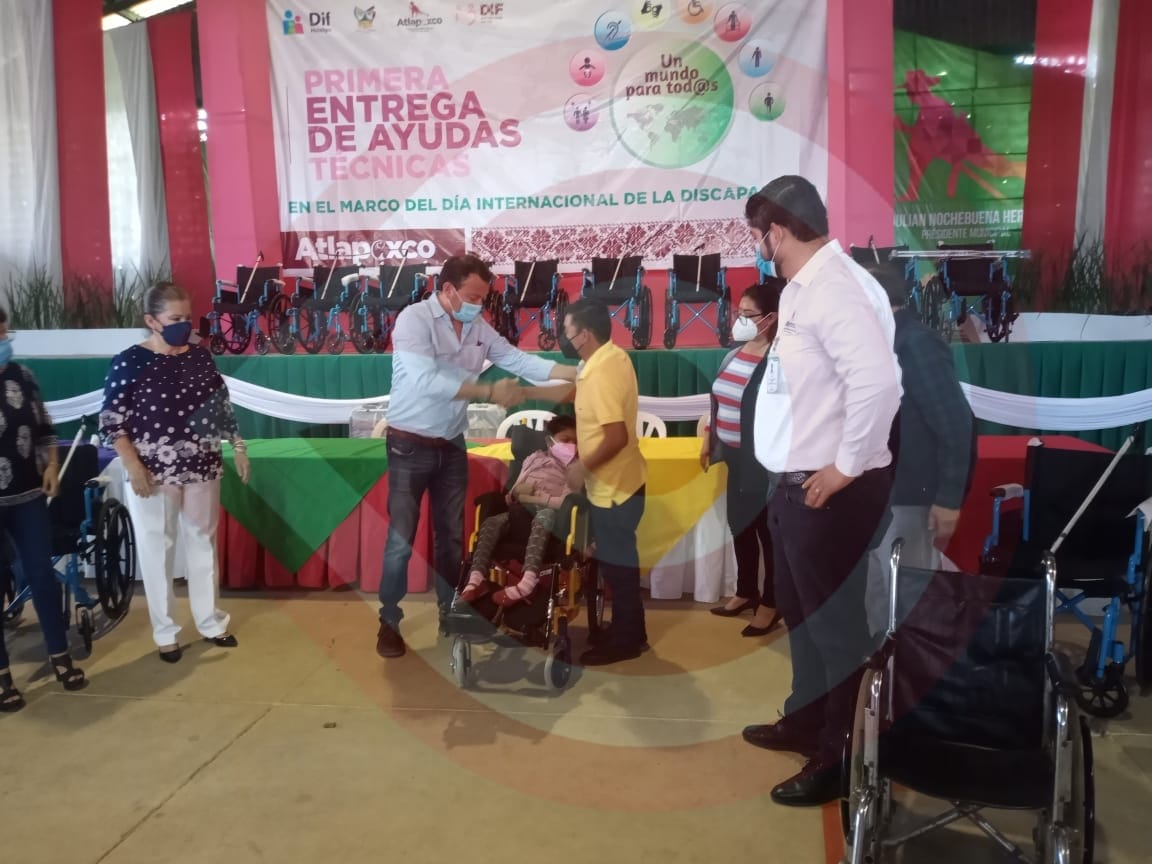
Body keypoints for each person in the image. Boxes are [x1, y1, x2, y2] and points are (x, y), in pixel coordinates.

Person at [740, 176, 902, 807]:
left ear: (777, 232)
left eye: (758, 236)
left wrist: (844, 469)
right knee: (802, 616)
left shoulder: (836, 287)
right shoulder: (803, 289)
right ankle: (805, 720)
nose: (758, 247)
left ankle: (839, 755)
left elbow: (878, 383)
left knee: (836, 629)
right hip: (792, 487)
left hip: (827, 491)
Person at [376, 254, 577, 659]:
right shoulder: (414, 320)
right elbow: (426, 380)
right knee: (401, 539)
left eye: (483, 298)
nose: (478, 306)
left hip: (451, 445)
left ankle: (450, 610)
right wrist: (487, 391)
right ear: (448, 290)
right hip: (408, 444)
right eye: (472, 297)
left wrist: (573, 372)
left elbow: (516, 359)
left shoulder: (476, 325)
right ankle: (389, 620)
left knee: (451, 538)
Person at [100, 282, 250, 664]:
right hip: (153, 470)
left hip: (202, 464)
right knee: (158, 549)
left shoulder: (200, 356)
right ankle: (165, 632)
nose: (184, 325)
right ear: (152, 321)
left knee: (203, 544)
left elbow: (221, 406)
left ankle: (210, 621)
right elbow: (112, 420)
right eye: (174, 318)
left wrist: (238, 447)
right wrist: (132, 464)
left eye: (187, 317)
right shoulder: (129, 361)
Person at [864, 263, 976, 638]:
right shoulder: (878, 343)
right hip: (878, 492)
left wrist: (949, 498)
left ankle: (911, 665)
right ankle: (883, 662)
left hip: (909, 495)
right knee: (879, 592)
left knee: (906, 594)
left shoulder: (915, 343)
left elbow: (955, 423)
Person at [0, 307, 87, 710]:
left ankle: (60, 655)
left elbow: (45, 429)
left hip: (28, 495)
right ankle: (3, 676)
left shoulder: (23, 376)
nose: (5, 344)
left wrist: (51, 464)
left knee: (42, 576)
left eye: (6, 336)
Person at [557, 299, 648, 665]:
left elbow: (615, 437)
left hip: (614, 490)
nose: (563, 337)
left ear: (584, 335)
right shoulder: (611, 357)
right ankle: (632, 631)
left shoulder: (600, 374)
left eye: (567, 331)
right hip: (626, 481)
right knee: (621, 566)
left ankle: (625, 643)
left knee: (620, 570)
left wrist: (582, 467)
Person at [701, 279, 785, 636]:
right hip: (733, 457)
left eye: (748, 314)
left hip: (761, 463)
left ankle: (772, 602)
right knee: (740, 525)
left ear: (770, 318)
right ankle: (745, 590)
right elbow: (719, 399)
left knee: (768, 532)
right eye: (739, 312)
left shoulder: (779, 359)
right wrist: (709, 438)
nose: (740, 320)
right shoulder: (734, 354)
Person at [459, 414, 580, 606]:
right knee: (492, 522)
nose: (571, 446)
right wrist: (516, 493)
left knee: (545, 515)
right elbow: (513, 493)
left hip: (552, 518)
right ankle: (476, 580)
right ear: (550, 441)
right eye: (565, 440)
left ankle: (528, 583)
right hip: (520, 513)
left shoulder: (577, 468)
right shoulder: (533, 459)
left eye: (575, 442)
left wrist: (537, 497)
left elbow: (567, 502)